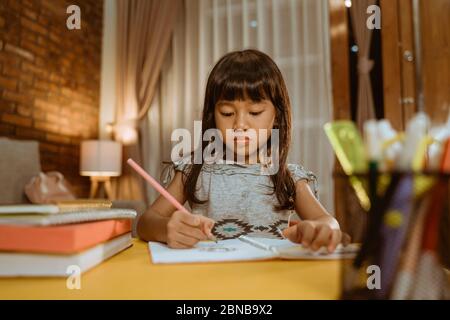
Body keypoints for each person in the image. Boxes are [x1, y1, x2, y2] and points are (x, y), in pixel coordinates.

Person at [137, 49, 347, 252]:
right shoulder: (194, 172)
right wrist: (168, 228)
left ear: (277, 116)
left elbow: (328, 221)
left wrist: (323, 229)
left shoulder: (289, 177)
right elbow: (146, 222)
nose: (239, 125)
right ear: (213, 116)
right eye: (227, 113)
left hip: (269, 283)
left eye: (255, 112)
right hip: (210, 281)